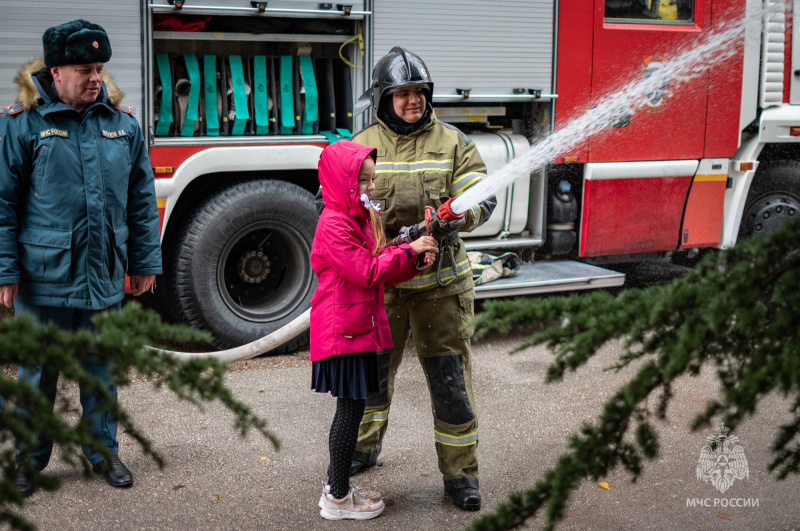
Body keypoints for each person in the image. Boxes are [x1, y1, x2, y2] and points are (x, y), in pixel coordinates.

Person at [0, 19, 162, 496]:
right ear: (55, 71)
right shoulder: (23, 124)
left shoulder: (122, 124)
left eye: (100, 68)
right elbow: (3, 204)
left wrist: (145, 263)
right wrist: (5, 270)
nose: (96, 78)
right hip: (43, 276)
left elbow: (140, 199)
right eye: (84, 69)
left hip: (103, 272)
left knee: (101, 369)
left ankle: (103, 453)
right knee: (37, 373)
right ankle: (29, 460)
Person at [349, 47, 497, 511]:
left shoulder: (453, 142)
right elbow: (335, 202)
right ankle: (362, 449)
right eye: (403, 93)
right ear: (384, 97)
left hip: (441, 288)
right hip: (383, 287)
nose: (413, 101)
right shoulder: (361, 144)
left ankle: (461, 475)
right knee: (370, 381)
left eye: (420, 92)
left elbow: (482, 196)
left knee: (450, 383)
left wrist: (458, 216)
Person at [310, 141, 438, 520]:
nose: (370, 188)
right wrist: (410, 251)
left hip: (353, 329)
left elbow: (377, 262)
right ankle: (337, 498)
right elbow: (365, 272)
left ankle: (339, 487)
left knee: (352, 408)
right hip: (343, 334)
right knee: (350, 411)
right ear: (340, 181)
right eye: (361, 181)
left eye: (371, 180)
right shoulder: (334, 223)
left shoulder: (355, 218)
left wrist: (412, 260)